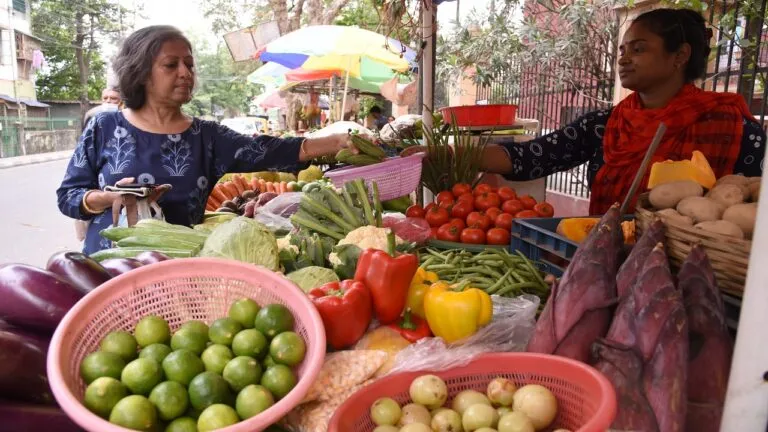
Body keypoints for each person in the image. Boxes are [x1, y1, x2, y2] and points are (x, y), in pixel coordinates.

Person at [404, 8, 765, 214]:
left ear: (680, 56)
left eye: (638, 49)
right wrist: (442, 153)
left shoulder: (734, 128)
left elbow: (746, 210)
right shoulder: (606, 125)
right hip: (605, 263)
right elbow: (532, 156)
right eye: (622, 49)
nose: (624, 58)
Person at [57, 26, 360, 254]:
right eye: (171, 65)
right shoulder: (105, 125)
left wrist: (335, 141)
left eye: (189, 64)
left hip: (175, 271)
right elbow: (68, 195)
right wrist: (105, 198)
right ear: (141, 71)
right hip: (105, 268)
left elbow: (268, 150)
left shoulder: (207, 137)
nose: (185, 73)